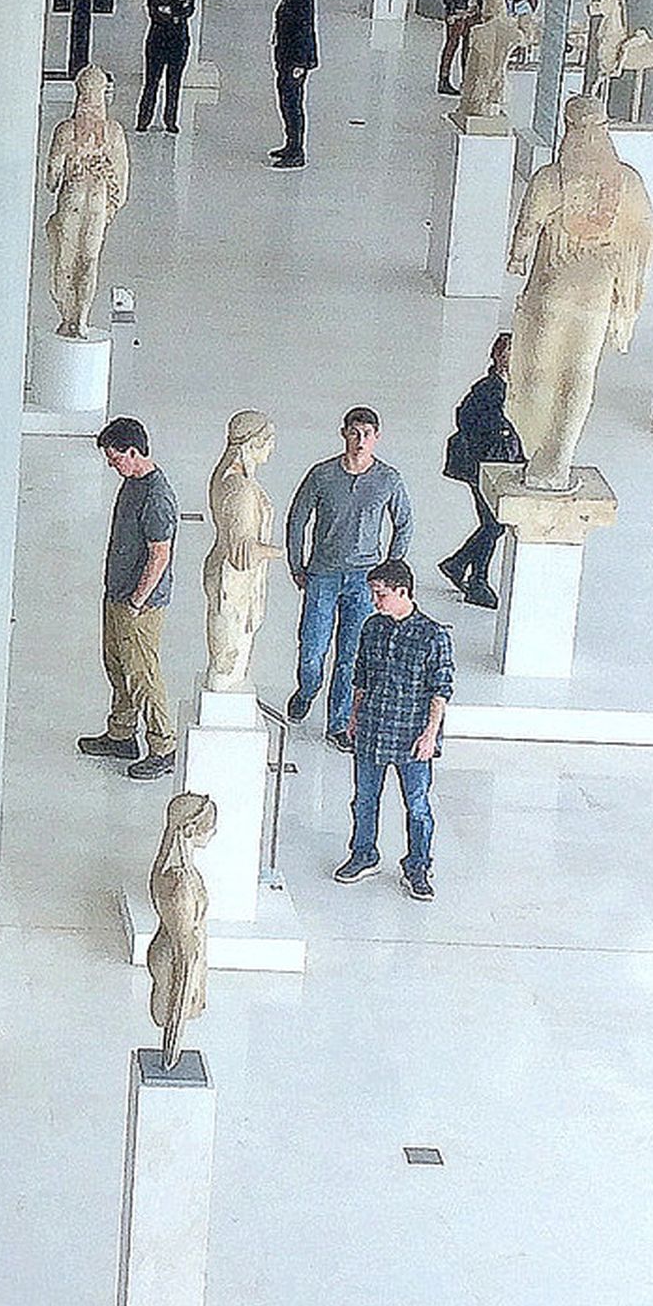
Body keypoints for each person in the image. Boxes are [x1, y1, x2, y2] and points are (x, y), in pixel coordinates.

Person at [283, 410, 413, 750]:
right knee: (312, 649)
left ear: (377, 437)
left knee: (350, 656)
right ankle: (307, 689)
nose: (360, 440)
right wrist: (297, 564)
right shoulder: (322, 476)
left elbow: (404, 523)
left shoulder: (388, 479)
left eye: (367, 433)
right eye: (354, 433)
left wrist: (389, 569)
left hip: (364, 579)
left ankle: (338, 723)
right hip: (323, 574)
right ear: (344, 433)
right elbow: (297, 520)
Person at [335, 561, 454, 899]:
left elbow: (441, 689)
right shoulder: (372, 628)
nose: (376, 601)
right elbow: (361, 676)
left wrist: (431, 734)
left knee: (417, 804)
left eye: (381, 594)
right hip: (372, 728)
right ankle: (363, 852)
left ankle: (418, 865)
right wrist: (354, 717)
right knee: (364, 799)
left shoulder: (433, 635)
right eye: (374, 593)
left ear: (403, 591)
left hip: (411, 735)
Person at [79, 416, 183, 780]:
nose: (111, 464)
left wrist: (137, 601)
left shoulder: (156, 497)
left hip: (140, 605)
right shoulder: (131, 482)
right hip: (118, 594)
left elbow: (160, 555)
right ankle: (122, 734)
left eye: (115, 457)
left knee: (142, 674)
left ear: (134, 452)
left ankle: (163, 746)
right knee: (117, 666)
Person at [437, 335, 518, 608]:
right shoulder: (489, 388)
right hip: (483, 466)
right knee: (494, 524)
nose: (513, 357)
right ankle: (474, 577)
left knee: (494, 524)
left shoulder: (513, 388)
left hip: (501, 466)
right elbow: (466, 419)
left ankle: (462, 567)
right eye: (508, 352)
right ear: (498, 356)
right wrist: (496, 434)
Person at [135, 0, 196, 133]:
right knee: (152, 81)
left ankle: (170, 120)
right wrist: (173, 12)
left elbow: (188, 9)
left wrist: (171, 12)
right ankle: (144, 119)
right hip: (157, 40)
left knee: (174, 82)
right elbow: (155, 11)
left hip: (178, 40)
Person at [271, 0, 320, 169]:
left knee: (293, 104)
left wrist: (300, 63)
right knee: (285, 101)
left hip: (295, 61)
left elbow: (304, 30)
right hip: (286, 57)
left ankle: (297, 150)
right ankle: (290, 144)